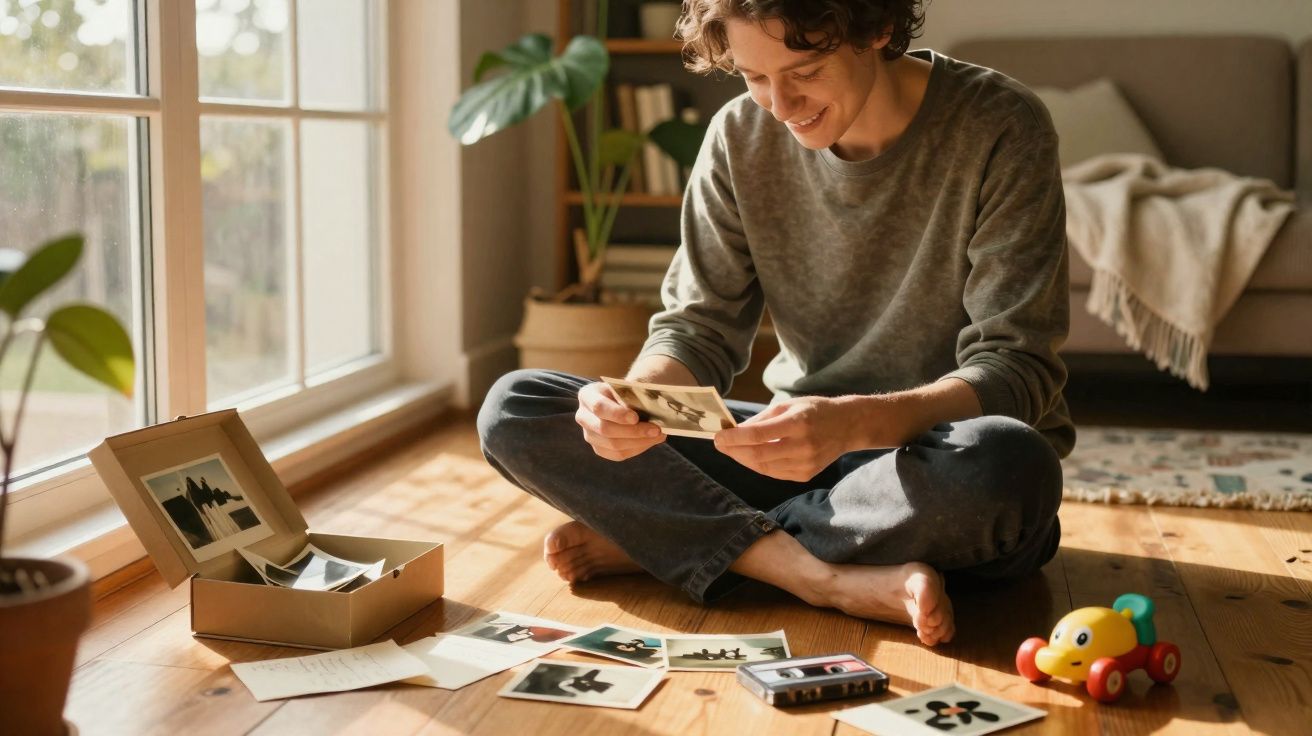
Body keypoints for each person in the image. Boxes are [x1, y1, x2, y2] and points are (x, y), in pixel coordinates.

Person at [478, 0, 1072, 647]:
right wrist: (633, 403)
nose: (781, 105)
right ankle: (812, 575)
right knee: (515, 406)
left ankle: (675, 536)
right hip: (784, 453)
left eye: (805, 71)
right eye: (754, 76)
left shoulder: (1000, 123)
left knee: (1010, 467)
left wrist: (852, 423)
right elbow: (697, 329)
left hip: (929, 471)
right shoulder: (739, 135)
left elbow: (1015, 368)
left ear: (877, 27)